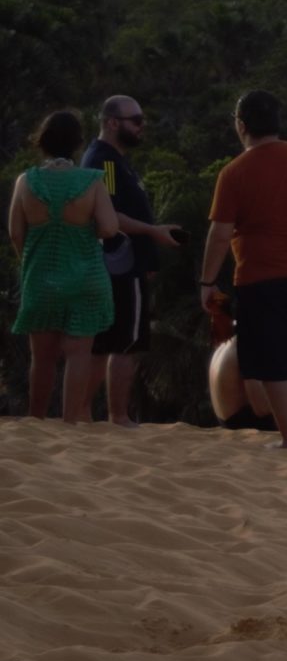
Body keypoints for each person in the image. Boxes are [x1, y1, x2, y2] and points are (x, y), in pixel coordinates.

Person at [200, 91, 287, 452]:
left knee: (276, 362)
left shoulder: (232, 173)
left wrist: (207, 281)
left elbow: (219, 235)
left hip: (261, 278)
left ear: (241, 125)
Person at [12, 109, 119, 423]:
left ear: (42, 142)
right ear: (76, 143)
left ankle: (36, 419)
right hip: (86, 277)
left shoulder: (26, 182)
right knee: (78, 354)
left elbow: (16, 233)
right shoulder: (92, 180)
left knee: (41, 358)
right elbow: (110, 227)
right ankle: (71, 422)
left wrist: (32, 258)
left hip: (41, 278)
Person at [85, 95, 180, 426]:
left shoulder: (114, 161)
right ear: (112, 123)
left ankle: (87, 414)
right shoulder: (106, 162)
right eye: (135, 120)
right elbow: (108, 213)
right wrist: (152, 232)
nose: (142, 126)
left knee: (111, 342)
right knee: (124, 342)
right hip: (121, 265)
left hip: (126, 263)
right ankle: (118, 416)